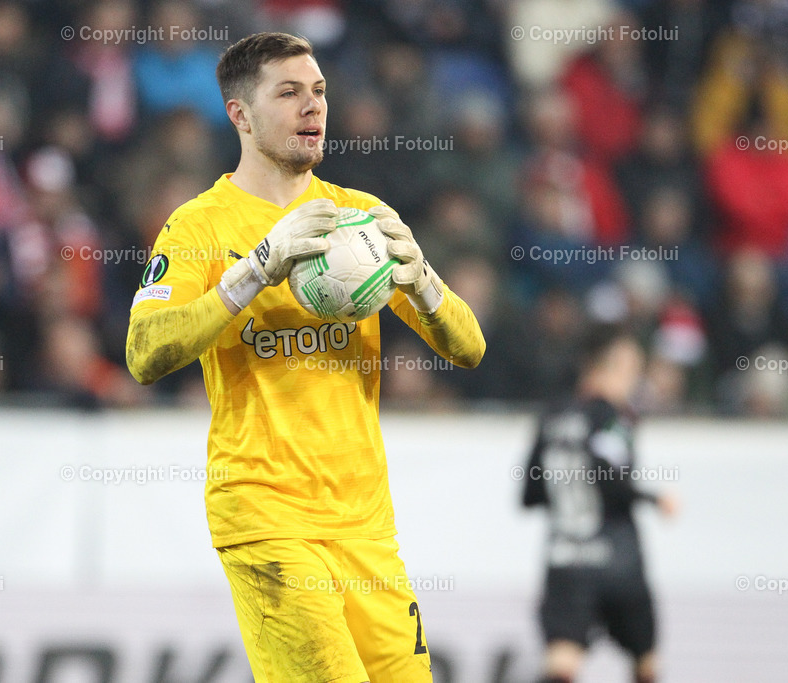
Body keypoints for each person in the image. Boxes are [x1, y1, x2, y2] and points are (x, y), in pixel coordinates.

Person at [125, 32, 485, 682]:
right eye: (288, 93)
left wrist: (424, 281)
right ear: (240, 114)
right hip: (266, 515)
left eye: (318, 91)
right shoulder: (198, 227)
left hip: (365, 524)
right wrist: (256, 269)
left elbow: (469, 349)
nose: (311, 107)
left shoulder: (361, 218)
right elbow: (144, 352)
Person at [521, 325, 678, 683]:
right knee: (646, 663)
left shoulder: (551, 417)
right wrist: (654, 498)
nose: (635, 380)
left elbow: (530, 494)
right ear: (607, 368)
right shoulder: (614, 418)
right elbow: (609, 477)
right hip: (617, 559)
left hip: (566, 561)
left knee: (561, 662)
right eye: (631, 369)